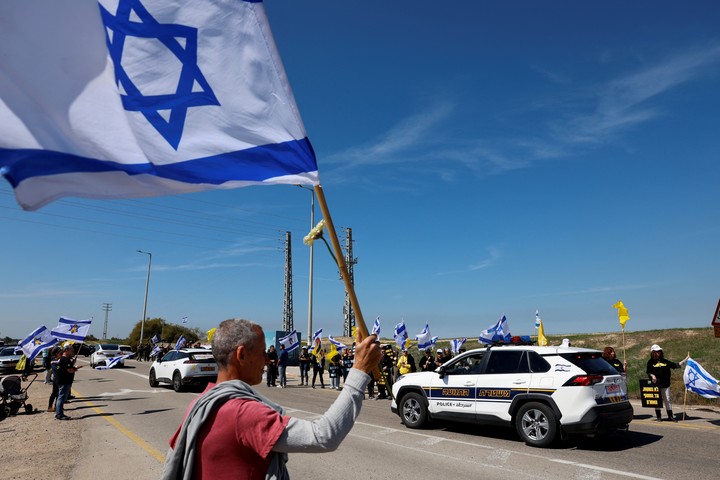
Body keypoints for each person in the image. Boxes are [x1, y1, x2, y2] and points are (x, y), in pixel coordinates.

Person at [162, 318, 381, 480]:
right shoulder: (241, 412)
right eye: (262, 353)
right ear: (241, 355)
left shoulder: (202, 403)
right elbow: (324, 436)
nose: (267, 360)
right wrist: (359, 372)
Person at [646, 344, 687, 422]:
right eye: (657, 351)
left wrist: (685, 360)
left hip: (666, 384)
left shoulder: (665, 361)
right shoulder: (650, 362)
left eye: (659, 351)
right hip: (656, 384)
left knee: (667, 399)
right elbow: (648, 372)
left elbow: (675, 365)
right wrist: (652, 375)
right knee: (657, 400)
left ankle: (670, 416)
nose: (658, 353)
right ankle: (658, 416)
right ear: (653, 352)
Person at [55, 344, 82, 420]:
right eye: (71, 350)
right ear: (66, 350)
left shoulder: (65, 359)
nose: (72, 352)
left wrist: (73, 366)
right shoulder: (65, 359)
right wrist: (75, 368)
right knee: (61, 397)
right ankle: (59, 414)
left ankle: (59, 413)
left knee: (62, 397)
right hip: (64, 381)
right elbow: (69, 370)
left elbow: (69, 367)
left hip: (65, 381)